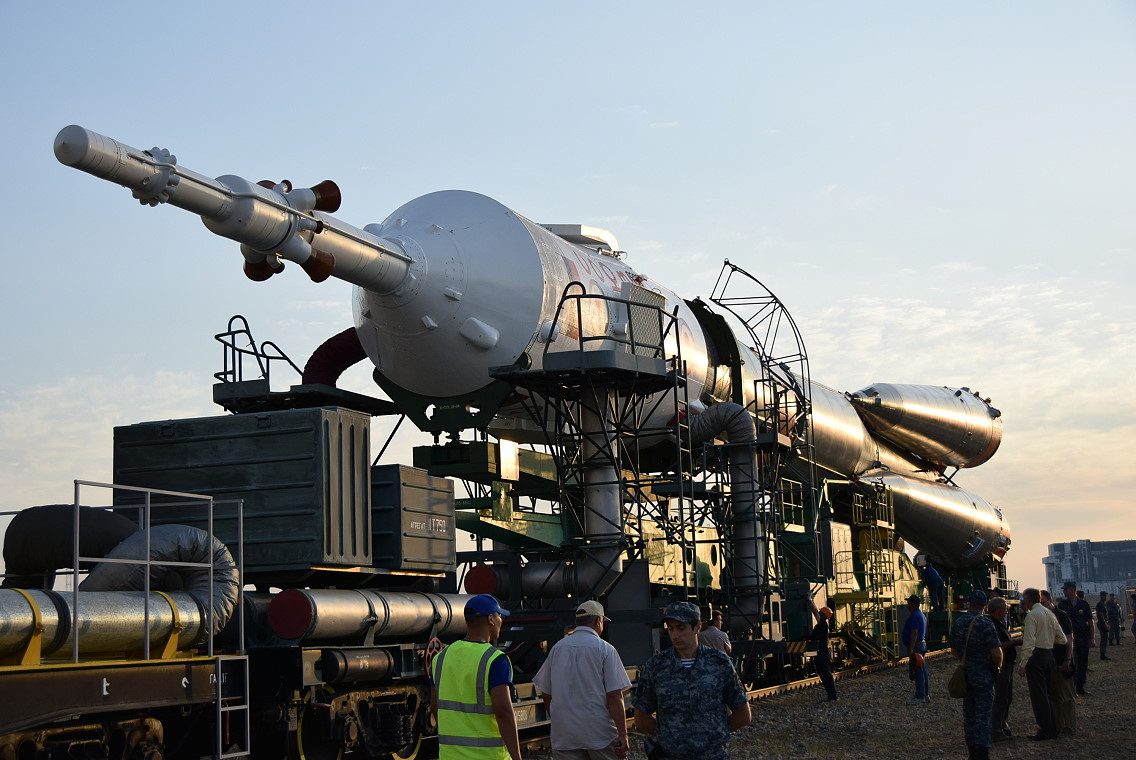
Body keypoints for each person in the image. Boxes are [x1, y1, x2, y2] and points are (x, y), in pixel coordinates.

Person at [632, 601, 752, 760]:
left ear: (698, 628)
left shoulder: (719, 662)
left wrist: (715, 734)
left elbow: (743, 714)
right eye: (671, 628)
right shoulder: (657, 666)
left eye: (681, 628)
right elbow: (641, 717)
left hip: (712, 756)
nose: (675, 635)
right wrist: (669, 735)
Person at [533, 600, 632, 760]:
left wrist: (559, 719)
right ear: (598, 621)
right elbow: (614, 695)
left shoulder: (557, 649)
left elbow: (546, 691)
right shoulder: (605, 649)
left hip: (564, 736)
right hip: (599, 735)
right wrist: (623, 734)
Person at [430, 594, 522, 760]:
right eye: (499, 615)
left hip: (451, 756)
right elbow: (503, 712)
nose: (501, 620)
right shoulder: (495, 659)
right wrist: (516, 757)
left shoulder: (441, 658)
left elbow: (435, 705)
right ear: (490, 619)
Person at [949, 590, 1002, 760]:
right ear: (985, 606)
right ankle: (982, 753)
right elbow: (997, 655)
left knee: (969, 715)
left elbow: (954, 651)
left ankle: (972, 752)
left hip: (966, 675)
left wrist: (967, 661)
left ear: (969, 603)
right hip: (984, 675)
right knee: (983, 716)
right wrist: (997, 667)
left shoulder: (959, 622)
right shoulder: (986, 624)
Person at [1016, 588, 1064, 742]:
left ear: (1029, 600)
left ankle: (1045, 729)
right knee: (1049, 694)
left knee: (1039, 696)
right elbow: (1062, 639)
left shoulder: (1031, 616)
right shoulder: (1050, 613)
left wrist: (1023, 664)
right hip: (1049, 656)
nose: (1023, 602)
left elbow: (1029, 643)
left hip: (1036, 658)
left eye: (1024, 599)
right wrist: (1048, 640)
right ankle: (1054, 728)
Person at [1040, 589, 1077, 736]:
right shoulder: (1041, 617)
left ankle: (1069, 727)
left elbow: (1069, 640)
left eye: (1043, 602)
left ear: (1051, 600)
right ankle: (1058, 727)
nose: (1042, 605)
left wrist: (1068, 659)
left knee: (1066, 697)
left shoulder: (1061, 616)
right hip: (1049, 662)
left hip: (1063, 661)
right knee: (1054, 697)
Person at [986, 596, 1018, 740]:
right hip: (1002, 666)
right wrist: (1014, 642)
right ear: (998, 610)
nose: (1006, 612)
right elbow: (998, 645)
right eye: (1005, 609)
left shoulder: (997, 623)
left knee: (1006, 697)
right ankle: (996, 729)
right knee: (1001, 698)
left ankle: (1002, 724)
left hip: (1007, 665)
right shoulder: (992, 624)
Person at [1057, 581, 1094, 695]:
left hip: (1083, 637)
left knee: (1083, 663)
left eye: (1066, 589)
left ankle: (1080, 687)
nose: (1064, 591)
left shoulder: (1084, 604)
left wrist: (1092, 638)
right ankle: (1071, 688)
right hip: (1068, 639)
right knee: (1071, 663)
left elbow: (1090, 621)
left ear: (1073, 589)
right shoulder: (1062, 605)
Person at [901, 594, 929, 705]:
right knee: (922, 670)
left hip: (916, 645)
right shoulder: (921, 615)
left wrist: (910, 648)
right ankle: (925, 694)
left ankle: (920, 695)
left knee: (918, 671)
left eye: (909, 603)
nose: (907, 605)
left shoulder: (915, 616)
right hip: (921, 644)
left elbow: (914, 633)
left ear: (913, 604)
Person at [808, 600, 837, 702]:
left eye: (821, 612)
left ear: (824, 616)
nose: (819, 613)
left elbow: (815, 613)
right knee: (824, 674)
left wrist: (809, 601)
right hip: (820, 652)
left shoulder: (823, 624)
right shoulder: (822, 625)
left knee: (826, 674)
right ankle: (831, 696)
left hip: (822, 653)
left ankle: (832, 696)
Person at [1094, 591, 1110, 660]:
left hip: (1104, 623)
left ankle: (1103, 653)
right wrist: (1105, 624)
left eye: (1106, 596)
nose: (1105, 597)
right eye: (1104, 596)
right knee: (1104, 639)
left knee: (1105, 639)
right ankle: (1102, 654)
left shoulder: (1103, 604)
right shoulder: (1100, 604)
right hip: (1102, 623)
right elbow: (1101, 615)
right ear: (1101, 596)